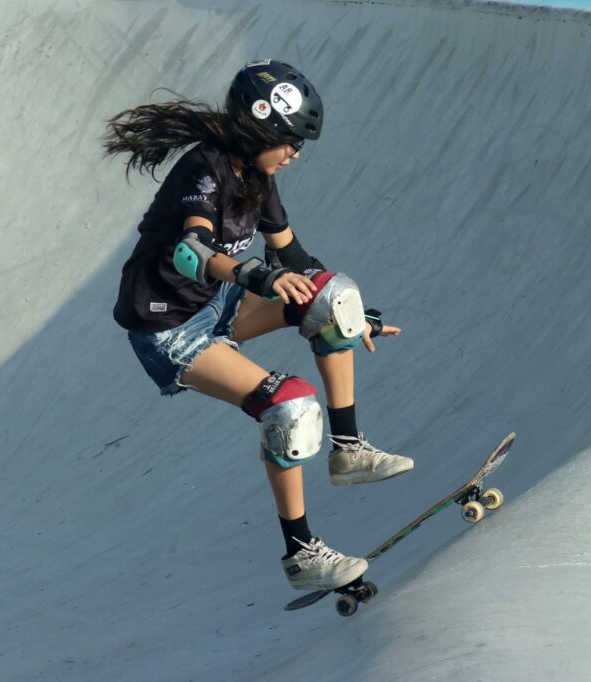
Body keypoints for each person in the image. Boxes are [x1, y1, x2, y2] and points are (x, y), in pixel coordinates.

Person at [104, 60, 414, 592]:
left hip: (218, 306)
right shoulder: (204, 169)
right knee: (290, 406)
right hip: (169, 331)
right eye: (290, 142)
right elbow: (191, 251)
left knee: (333, 294)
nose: (295, 154)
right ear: (259, 129)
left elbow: (295, 258)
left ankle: (348, 449)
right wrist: (258, 276)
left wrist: (351, 315)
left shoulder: (258, 177)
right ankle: (302, 555)